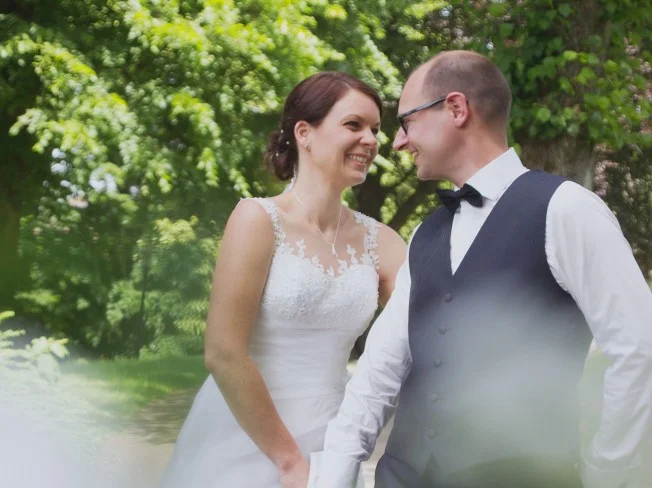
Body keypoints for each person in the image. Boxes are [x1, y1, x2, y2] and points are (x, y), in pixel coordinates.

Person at [304, 50, 652, 488]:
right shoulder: (425, 235)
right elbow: (379, 371)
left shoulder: (568, 209)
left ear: (456, 108)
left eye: (407, 121)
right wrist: (334, 477)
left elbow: (639, 349)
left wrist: (606, 472)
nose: (398, 142)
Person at [158, 72, 406, 488]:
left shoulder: (382, 241)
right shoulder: (257, 219)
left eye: (375, 130)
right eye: (354, 125)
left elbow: (425, 328)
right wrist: (289, 462)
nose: (370, 140)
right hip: (243, 441)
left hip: (331, 444)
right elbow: (223, 353)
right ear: (304, 133)